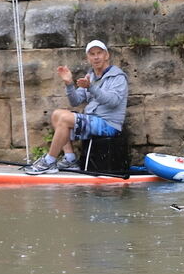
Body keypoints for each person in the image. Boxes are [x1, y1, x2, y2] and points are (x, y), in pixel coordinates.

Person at [24, 39, 129, 174]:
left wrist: (91, 87)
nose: (96, 57)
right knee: (57, 114)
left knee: (65, 119)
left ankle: (49, 161)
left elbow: (113, 101)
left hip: (109, 125)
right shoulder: (90, 75)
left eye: (99, 53)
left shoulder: (118, 77)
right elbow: (75, 101)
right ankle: (70, 159)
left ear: (106, 55)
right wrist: (69, 83)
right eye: (92, 54)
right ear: (88, 58)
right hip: (93, 120)